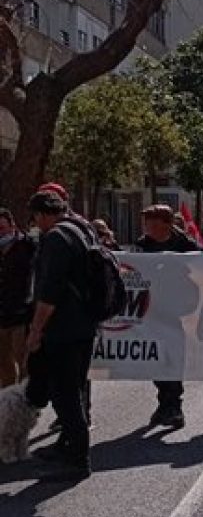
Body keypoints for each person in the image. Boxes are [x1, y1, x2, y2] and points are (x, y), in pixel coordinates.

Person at [23, 191, 99, 480]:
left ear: (42, 214)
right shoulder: (82, 229)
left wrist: (35, 330)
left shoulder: (56, 238)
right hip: (84, 325)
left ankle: (77, 459)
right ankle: (67, 445)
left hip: (63, 328)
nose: (35, 224)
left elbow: (50, 291)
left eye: (35, 218)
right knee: (74, 388)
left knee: (64, 393)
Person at [136, 204, 197, 427]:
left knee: (172, 356)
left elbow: (201, 268)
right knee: (156, 358)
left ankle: (173, 406)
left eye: (151, 223)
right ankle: (164, 403)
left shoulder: (186, 245)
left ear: (165, 224)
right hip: (151, 309)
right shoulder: (142, 245)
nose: (146, 227)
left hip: (176, 310)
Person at [0, 207, 36, 387]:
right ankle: (6, 401)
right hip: (1, 314)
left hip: (20, 314)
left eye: (2, 228)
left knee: (23, 361)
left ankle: (25, 400)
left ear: (12, 225)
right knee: (4, 365)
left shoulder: (27, 245)